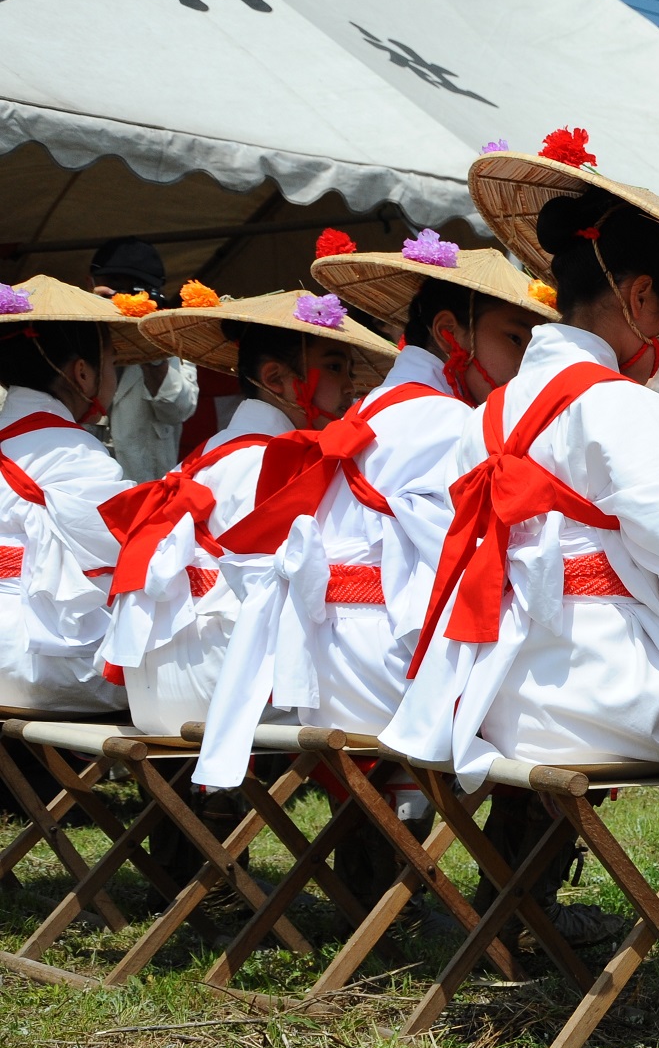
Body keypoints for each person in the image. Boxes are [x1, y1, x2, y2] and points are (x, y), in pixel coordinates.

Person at [381, 132, 659, 787]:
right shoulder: (627, 409)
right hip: (610, 702)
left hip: (497, 703)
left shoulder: (486, 417)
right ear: (643, 298)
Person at [191, 230, 558, 915]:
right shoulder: (450, 423)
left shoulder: (367, 412)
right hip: (378, 669)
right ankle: (525, 915)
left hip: (326, 671)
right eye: (515, 341)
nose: (521, 366)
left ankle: (382, 879)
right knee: (568, 689)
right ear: (451, 333)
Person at [109, 288, 397, 736]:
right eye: (336, 366)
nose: (350, 386)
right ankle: (393, 803)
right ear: (276, 379)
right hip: (222, 688)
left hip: (155, 687)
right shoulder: (273, 462)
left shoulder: (205, 455)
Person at [0, 276, 155, 714]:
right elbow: (131, 559)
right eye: (112, 362)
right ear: (82, 373)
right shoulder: (73, 450)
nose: (113, 375)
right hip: (32, 662)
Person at [88, 238, 199, 484]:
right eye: (114, 286)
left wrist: (153, 351)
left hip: (145, 490)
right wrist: (87, 317)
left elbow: (179, 410)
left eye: (136, 289)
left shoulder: (173, 340)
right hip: (86, 489)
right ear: (92, 283)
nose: (124, 298)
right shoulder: (74, 332)